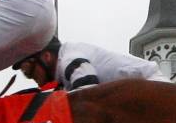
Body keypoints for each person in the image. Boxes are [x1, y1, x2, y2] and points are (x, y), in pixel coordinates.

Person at [13, 37, 165, 92]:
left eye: (30, 73)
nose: (34, 80)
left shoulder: (69, 60)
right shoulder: (65, 66)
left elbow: (88, 96)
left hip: (153, 86)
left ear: (46, 57)